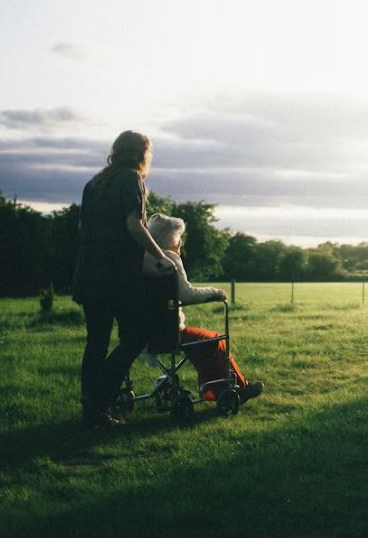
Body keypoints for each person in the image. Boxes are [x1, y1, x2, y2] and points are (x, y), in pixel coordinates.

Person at [72, 131, 174, 427]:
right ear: (142, 154)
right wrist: (160, 256)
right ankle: (98, 399)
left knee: (97, 343)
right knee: (134, 337)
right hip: (115, 275)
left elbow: (83, 228)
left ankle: (92, 409)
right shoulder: (131, 179)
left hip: (88, 271)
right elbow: (134, 225)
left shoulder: (94, 183)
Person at [143, 213, 263, 403]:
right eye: (179, 237)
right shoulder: (169, 259)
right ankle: (237, 388)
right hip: (169, 332)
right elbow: (187, 295)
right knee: (214, 340)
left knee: (201, 342)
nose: (181, 242)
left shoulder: (142, 258)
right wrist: (215, 292)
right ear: (169, 237)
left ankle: (216, 389)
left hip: (143, 332)